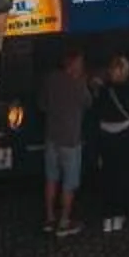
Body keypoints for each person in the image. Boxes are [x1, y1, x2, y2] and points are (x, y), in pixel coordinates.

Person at [42, 42, 91, 238]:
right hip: (70, 140)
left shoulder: (51, 79)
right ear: (73, 64)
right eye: (80, 63)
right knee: (69, 183)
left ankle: (49, 218)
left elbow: (42, 104)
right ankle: (64, 222)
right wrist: (84, 83)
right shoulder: (78, 84)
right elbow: (88, 103)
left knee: (51, 179)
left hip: (51, 137)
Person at [89, 54, 129, 232]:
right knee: (123, 176)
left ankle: (107, 217)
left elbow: (95, 114)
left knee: (108, 176)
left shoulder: (103, 91)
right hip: (125, 137)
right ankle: (120, 215)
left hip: (106, 138)